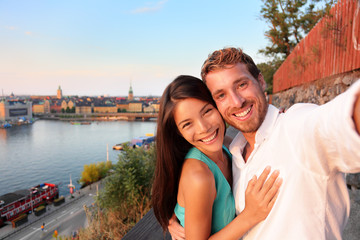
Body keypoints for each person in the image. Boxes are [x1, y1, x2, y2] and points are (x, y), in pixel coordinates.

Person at [198, 47, 360, 239]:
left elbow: (338, 119)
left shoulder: (295, 126)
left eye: (241, 84)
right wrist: (178, 214)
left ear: (260, 81)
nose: (236, 101)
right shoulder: (235, 152)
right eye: (221, 95)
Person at [152, 75, 282, 240]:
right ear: (178, 132)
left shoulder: (226, 146)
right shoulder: (199, 177)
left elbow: (253, 131)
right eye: (187, 124)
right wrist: (250, 215)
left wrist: (278, 119)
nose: (204, 128)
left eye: (207, 111)